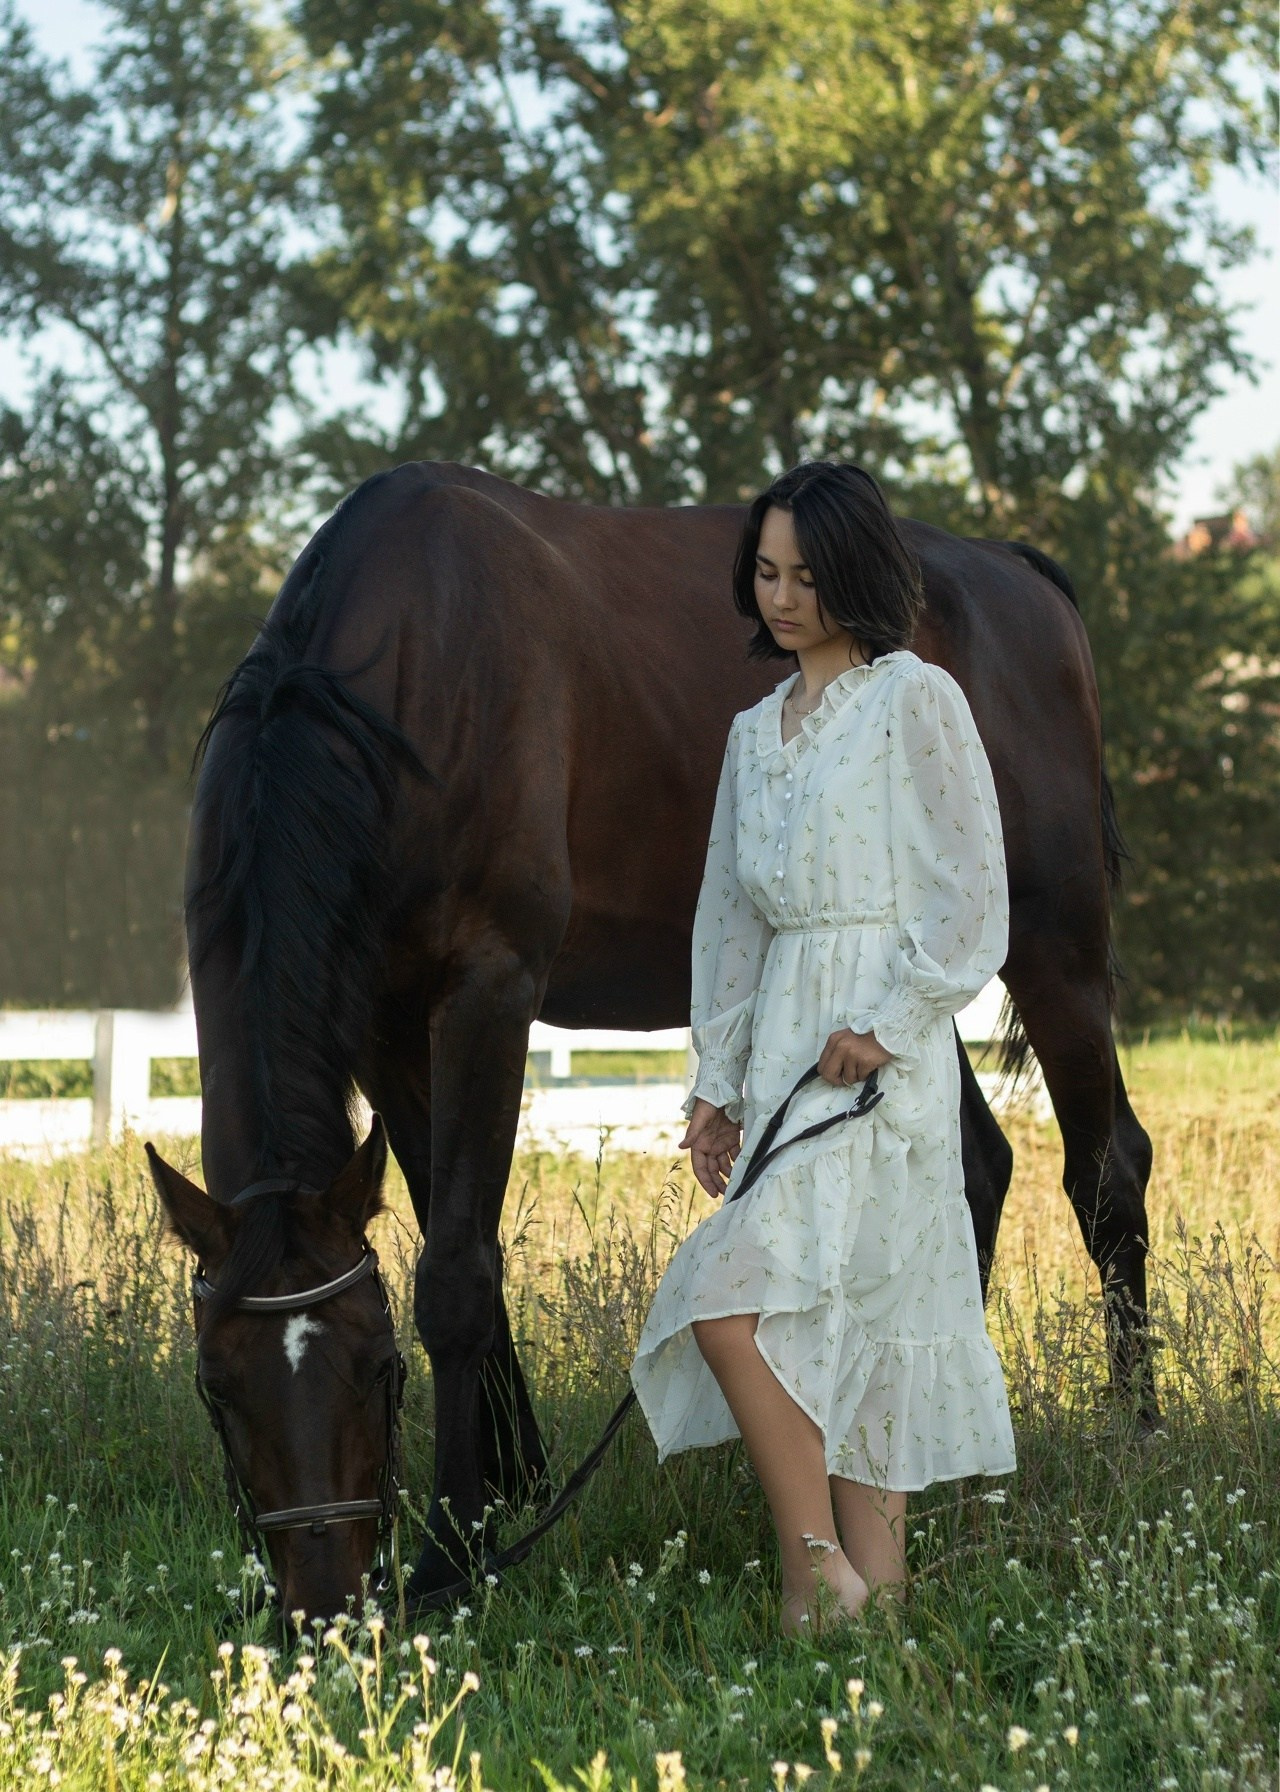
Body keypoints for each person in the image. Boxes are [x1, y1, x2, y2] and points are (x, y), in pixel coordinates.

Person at [629, 461, 1017, 1638]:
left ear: (854, 574)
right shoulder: (754, 734)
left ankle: (845, 1588)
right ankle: (838, 1587)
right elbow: (730, 922)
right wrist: (715, 1090)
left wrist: (888, 1024)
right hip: (788, 1047)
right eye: (765, 571)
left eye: (804, 573)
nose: (783, 595)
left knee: (839, 1306)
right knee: (758, 1297)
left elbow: (970, 892)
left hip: (875, 1057)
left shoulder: (915, 700)